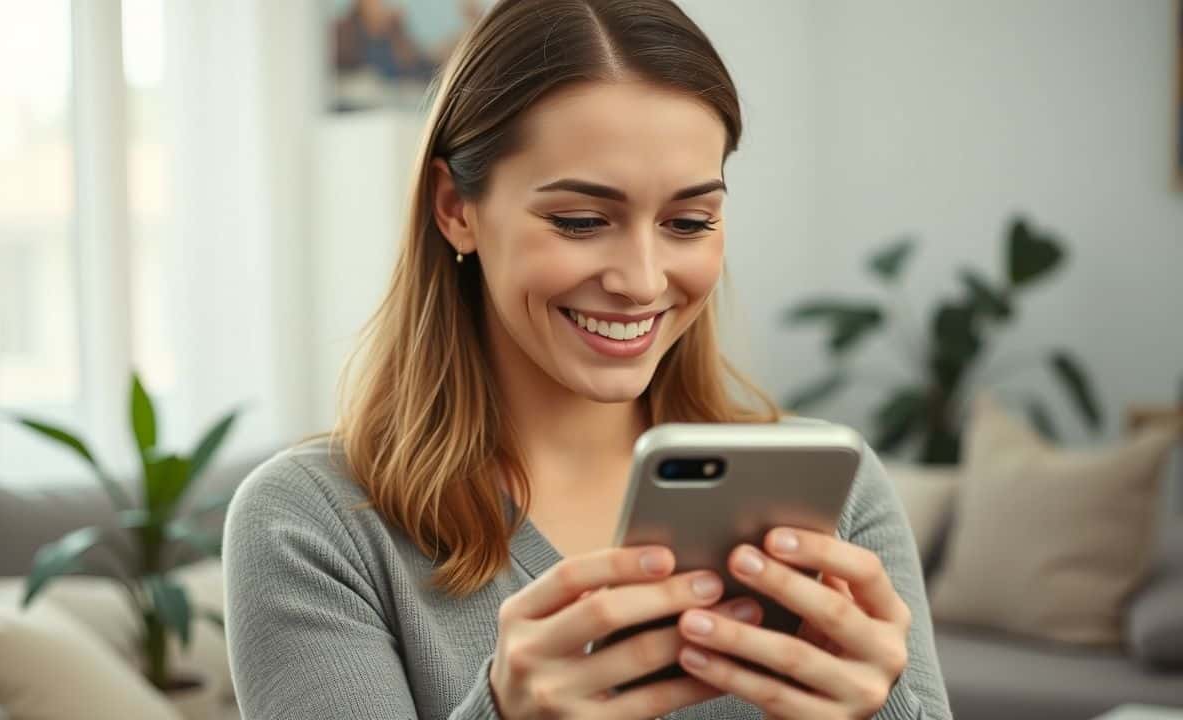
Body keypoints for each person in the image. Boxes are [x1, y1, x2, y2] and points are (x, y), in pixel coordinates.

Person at [224, 0, 953, 717]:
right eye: (580, 220)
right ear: (455, 208)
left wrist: (882, 710)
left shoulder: (834, 490)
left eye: (689, 222)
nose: (641, 280)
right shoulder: (311, 525)